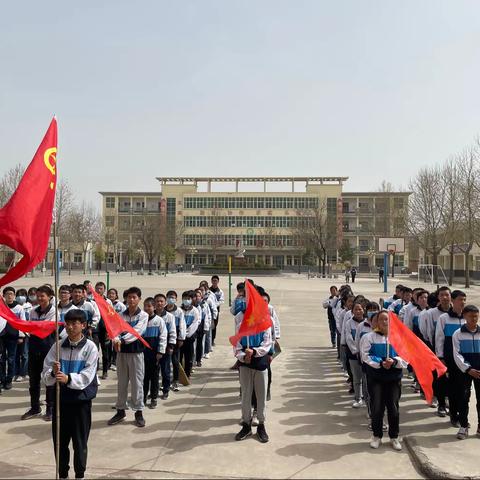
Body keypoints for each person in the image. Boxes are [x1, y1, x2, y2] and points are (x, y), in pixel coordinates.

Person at [42, 309, 98, 480]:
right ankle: (63, 474)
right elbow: (45, 374)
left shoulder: (90, 347)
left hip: (80, 402)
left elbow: (88, 376)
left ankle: (79, 474)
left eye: (75, 323)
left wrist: (68, 378)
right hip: (61, 400)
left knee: (80, 442)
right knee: (60, 442)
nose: (71, 327)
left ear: (84, 325)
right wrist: (53, 373)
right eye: (68, 323)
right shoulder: (57, 346)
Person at [361, 310, 407, 451]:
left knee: (393, 408)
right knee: (377, 408)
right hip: (376, 378)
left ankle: (394, 436)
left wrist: (393, 361)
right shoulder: (369, 337)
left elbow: (405, 358)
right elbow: (365, 356)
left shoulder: (398, 338)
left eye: (387, 319)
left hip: (393, 378)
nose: (384, 322)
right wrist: (381, 363)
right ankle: (377, 436)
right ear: (376, 322)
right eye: (381, 319)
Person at [234, 291, 273, 443]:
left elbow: (267, 343)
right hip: (245, 364)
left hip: (260, 363)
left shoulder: (265, 323)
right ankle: (246, 424)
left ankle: (261, 425)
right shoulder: (241, 325)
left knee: (261, 395)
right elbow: (236, 345)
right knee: (245, 394)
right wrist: (243, 355)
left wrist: (255, 351)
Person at [108, 287, 148, 428]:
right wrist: (116, 339)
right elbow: (115, 330)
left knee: (137, 383)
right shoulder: (120, 315)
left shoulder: (143, 315)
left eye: (134, 297)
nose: (131, 300)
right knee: (122, 383)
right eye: (129, 297)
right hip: (122, 354)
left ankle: (138, 412)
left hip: (136, 354)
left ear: (139, 299)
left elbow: (137, 332)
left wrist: (122, 340)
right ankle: (120, 411)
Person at [22, 285, 57, 421]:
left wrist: (34, 327)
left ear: (49, 297)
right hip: (33, 348)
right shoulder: (32, 311)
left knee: (49, 379)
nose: (40, 298)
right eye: (38, 296)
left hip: (48, 349)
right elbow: (31, 328)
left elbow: (45, 328)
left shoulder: (54, 311)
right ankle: (35, 407)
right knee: (34, 380)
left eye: (43, 296)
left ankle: (50, 408)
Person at [435, 290, 467, 427]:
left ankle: (463, 416)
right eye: (460, 299)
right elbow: (439, 339)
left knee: (465, 390)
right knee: (453, 388)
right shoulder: (444, 318)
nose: (463, 302)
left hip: (466, 359)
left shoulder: (467, 317)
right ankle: (454, 416)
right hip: (450, 359)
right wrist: (440, 357)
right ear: (453, 301)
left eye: (464, 299)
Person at [452, 305, 480, 440]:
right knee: (463, 398)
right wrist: (468, 369)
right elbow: (457, 354)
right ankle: (463, 425)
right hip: (465, 372)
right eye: (471, 316)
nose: (474, 319)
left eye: (476, 316)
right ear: (465, 317)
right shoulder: (458, 334)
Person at [142, 297, 167, 409]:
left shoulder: (159, 320)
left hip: (154, 354)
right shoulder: (141, 319)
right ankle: (142, 397)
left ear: (154, 307)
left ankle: (153, 398)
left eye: (149, 306)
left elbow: (163, 337)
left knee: (154, 377)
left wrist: (160, 351)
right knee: (143, 377)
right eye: (145, 306)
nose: (147, 308)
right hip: (143, 354)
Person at [1, 286, 25, 390]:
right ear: (4, 296)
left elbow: (22, 322)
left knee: (11, 359)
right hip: (1, 336)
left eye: (11, 294)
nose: (9, 296)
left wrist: (21, 336)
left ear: (14, 296)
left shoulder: (19, 308)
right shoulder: (1, 307)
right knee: (1, 359)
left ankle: (9, 380)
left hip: (13, 337)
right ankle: (2, 379)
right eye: (7, 294)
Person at [154, 293, 176, 399]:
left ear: (165, 303)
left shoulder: (170, 317)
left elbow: (172, 332)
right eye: (157, 301)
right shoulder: (148, 315)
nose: (159, 303)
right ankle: (154, 390)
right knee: (153, 372)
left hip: (165, 348)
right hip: (152, 348)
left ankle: (166, 390)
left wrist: (171, 346)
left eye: (161, 301)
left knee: (165, 370)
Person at [165, 290, 186, 392]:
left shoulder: (179, 311)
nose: (171, 299)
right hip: (165, 339)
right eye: (169, 297)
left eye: (173, 297)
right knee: (165, 362)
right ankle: (166, 381)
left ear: (176, 299)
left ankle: (176, 380)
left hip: (176, 340)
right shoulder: (162, 311)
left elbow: (182, 325)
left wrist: (181, 338)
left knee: (175, 361)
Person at [345, 302, 365, 408]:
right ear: (352, 311)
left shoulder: (368, 323)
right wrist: (356, 351)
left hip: (366, 355)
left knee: (366, 379)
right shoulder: (349, 323)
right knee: (357, 378)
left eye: (360, 309)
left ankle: (367, 399)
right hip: (354, 355)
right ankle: (358, 398)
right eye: (356, 309)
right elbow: (349, 338)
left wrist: (364, 352)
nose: (358, 311)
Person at [180, 290, 200, 378]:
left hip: (189, 337)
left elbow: (195, 323)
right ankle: (179, 374)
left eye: (188, 299)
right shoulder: (179, 310)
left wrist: (187, 333)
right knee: (179, 357)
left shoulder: (195, 311)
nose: (186, 300)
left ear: (192, 300)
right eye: (184, 298)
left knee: (188, 357)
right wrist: (181, 334)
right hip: (179, 338)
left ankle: (187, 373)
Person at [14, 288, 30, 382]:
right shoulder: (14, 306)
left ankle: (23, 373)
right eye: (19, 295)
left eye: (23, 295)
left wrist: (22, 334)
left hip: (26, 334)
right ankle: (15, 372)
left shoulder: (29, 306)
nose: (21, 297)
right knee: (15, 354)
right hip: (14, 334)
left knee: (24, 354)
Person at [209, 275, 224, 347]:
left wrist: (214, 305)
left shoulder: (220, 292)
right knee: (207, 325)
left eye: (216, 281)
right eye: (213, 280)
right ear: (211, 281)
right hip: (208, 310)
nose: (214, 282)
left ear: (218, 282)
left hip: (216, 311)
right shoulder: (208, 291)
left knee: (214, 325)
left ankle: (212, 340)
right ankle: (208, 340)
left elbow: (221, 301)